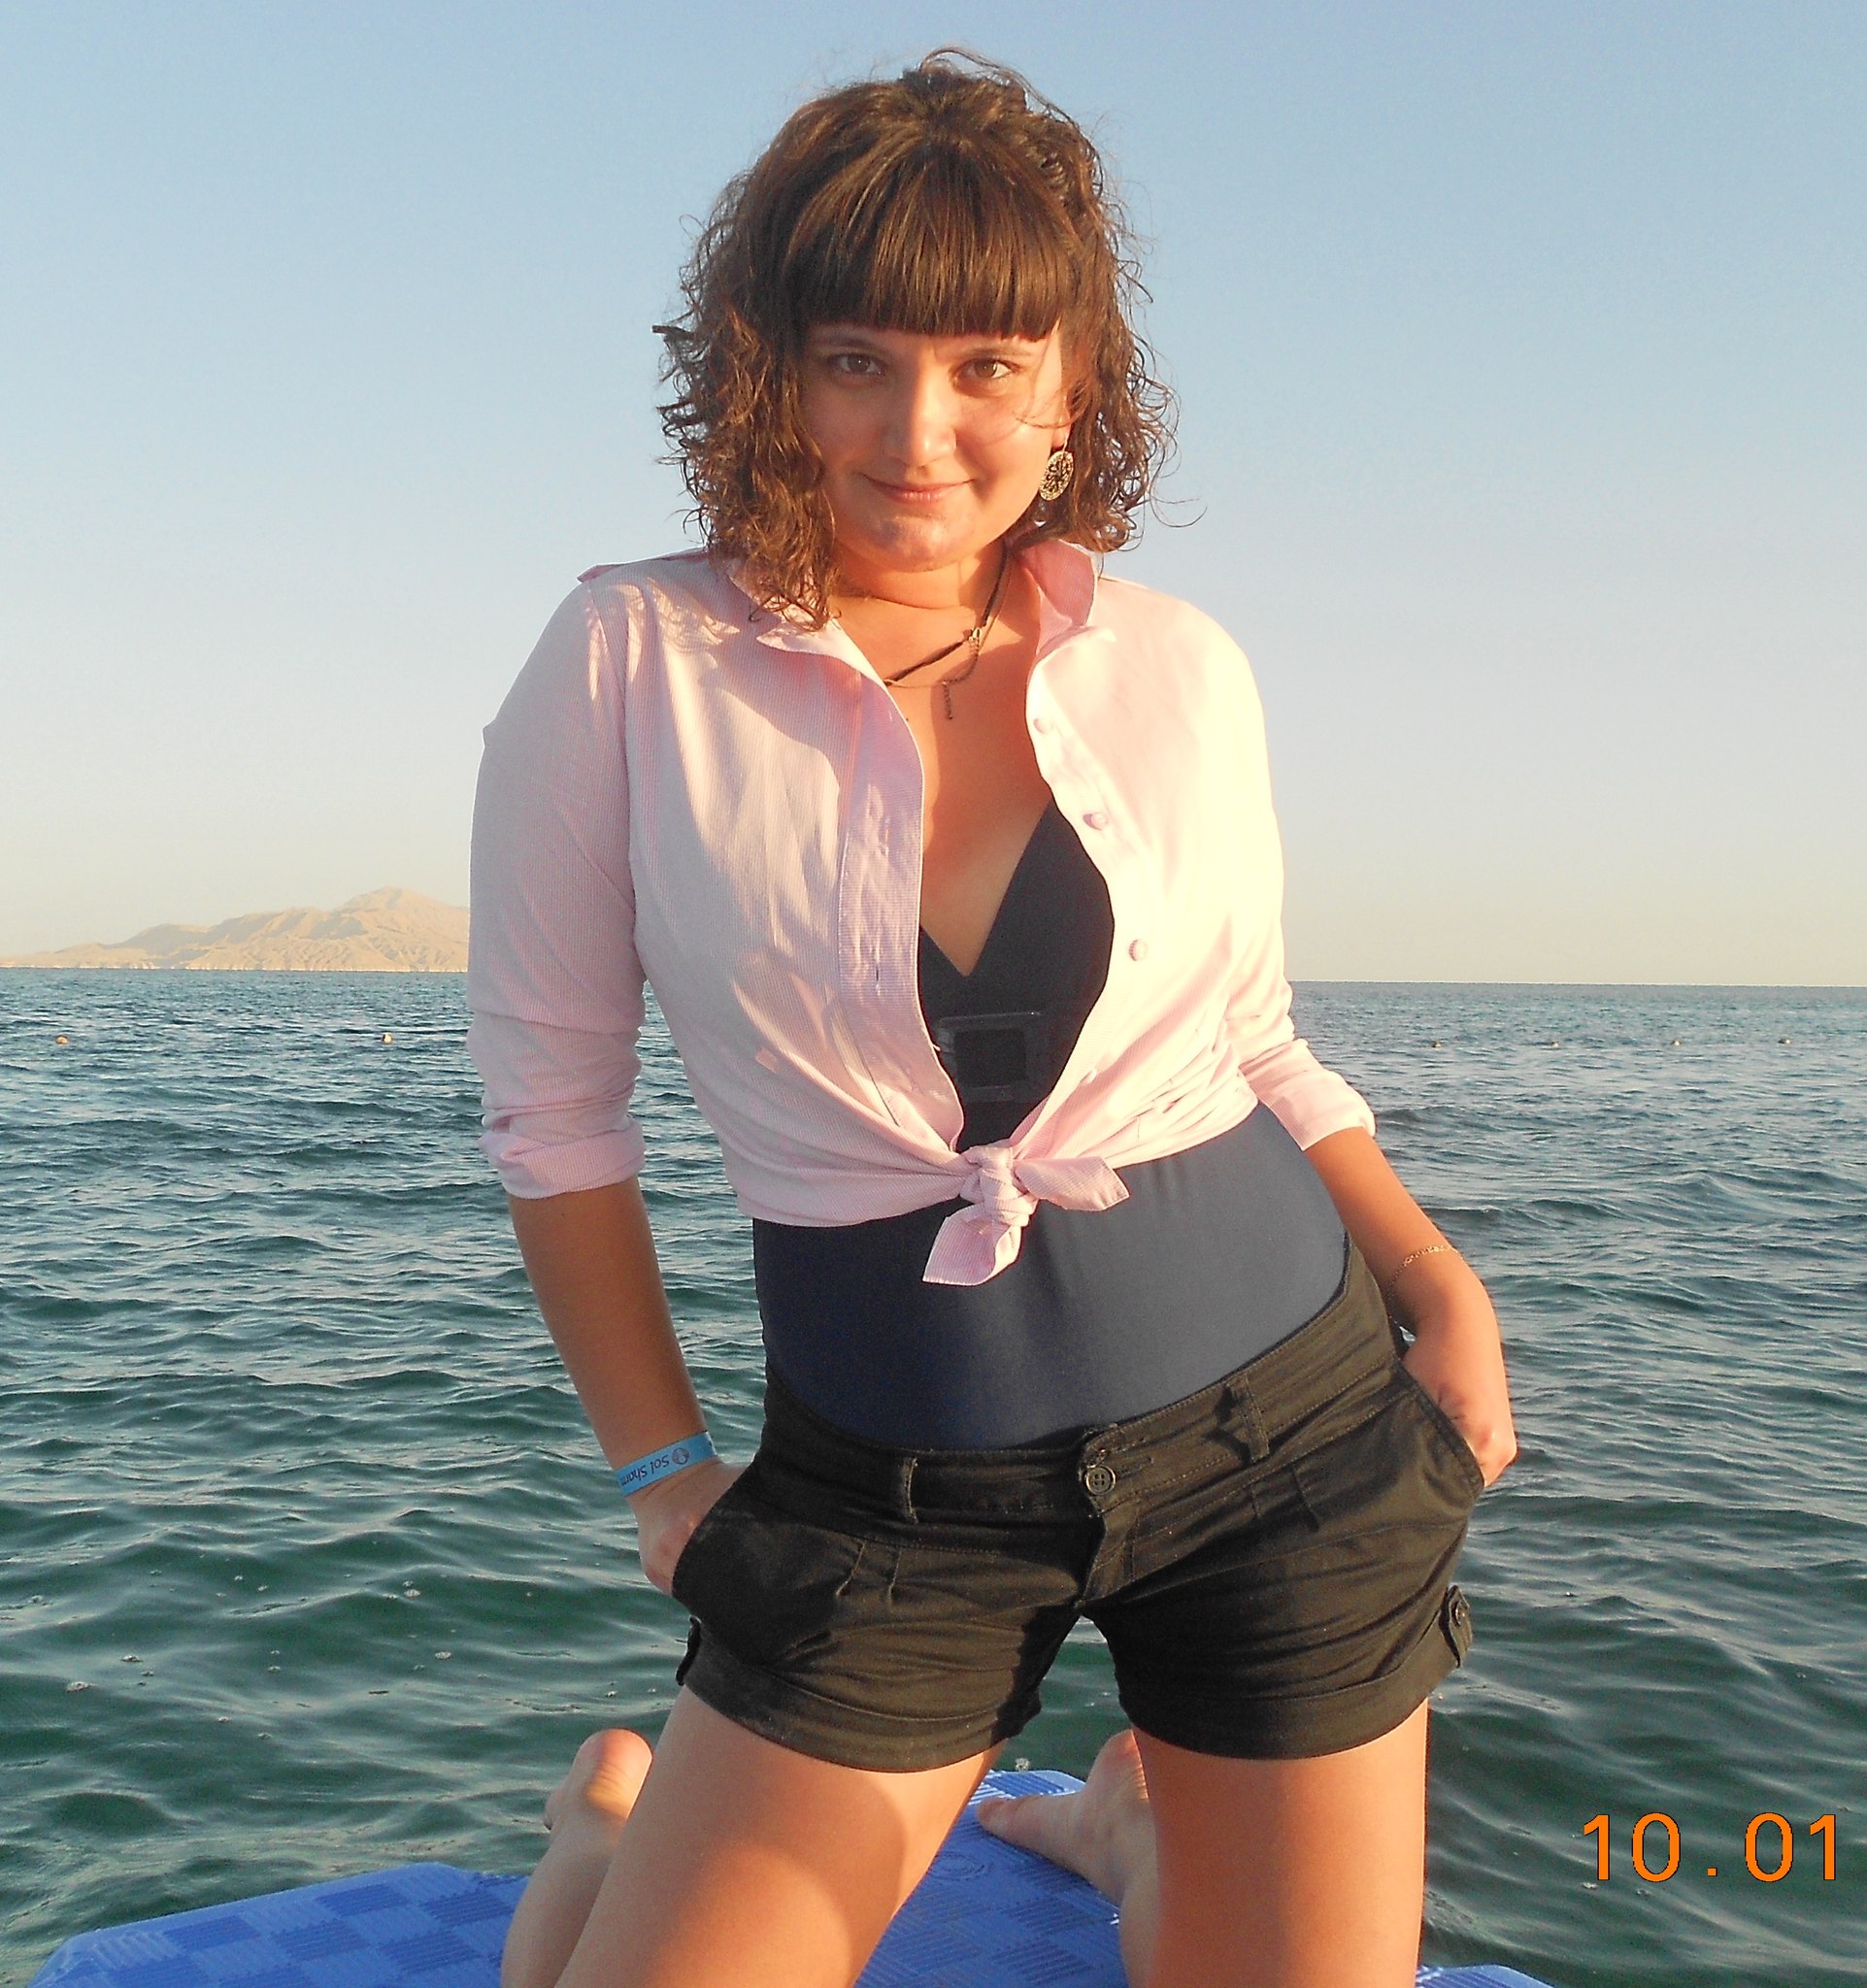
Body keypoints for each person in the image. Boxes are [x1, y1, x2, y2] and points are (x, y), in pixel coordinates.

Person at [466, 51, 1517, 1988]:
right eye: (854, 360)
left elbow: (1253, 1034)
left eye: (983, 366)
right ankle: (606, 1825)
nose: (917, 432)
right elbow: (556, 1115)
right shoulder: (629, 658)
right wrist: (660, 1469)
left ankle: (1126, 1833)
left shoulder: (1178, 667)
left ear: (1070, 384)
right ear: (766, 371)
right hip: (888, 1501)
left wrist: (1437, 1283)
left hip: (1288, 1442)